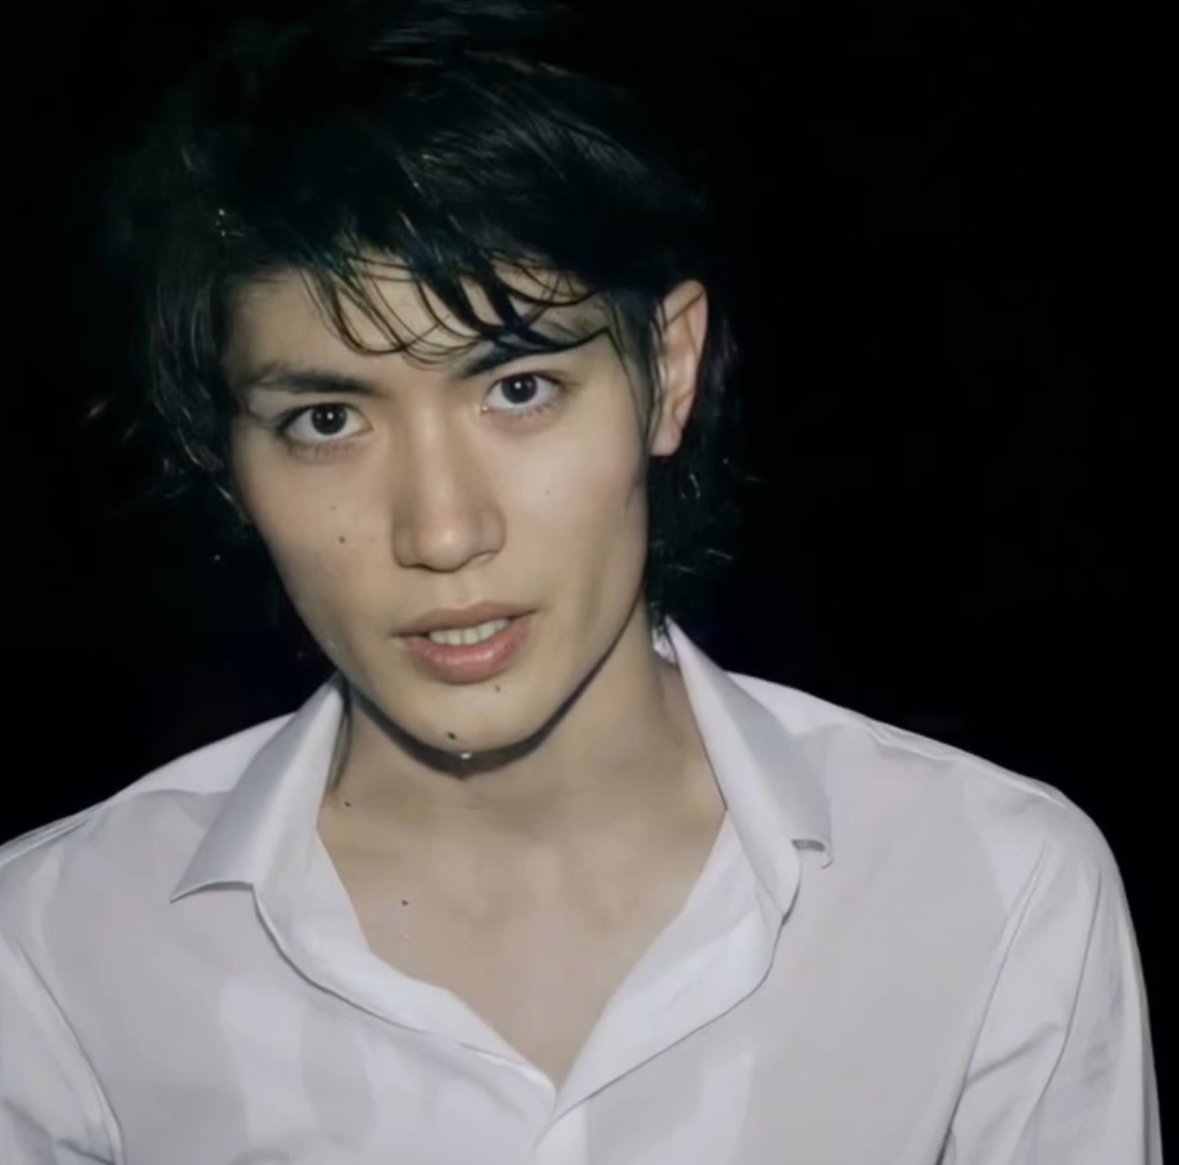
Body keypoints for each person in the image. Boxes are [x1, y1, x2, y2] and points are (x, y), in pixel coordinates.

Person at [0, 2, 1162, 1161]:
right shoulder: (56, 959)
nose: (443, 531)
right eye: (328, 419)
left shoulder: (988, 890)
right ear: (228, 461)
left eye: (518, 389)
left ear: (670, 369)